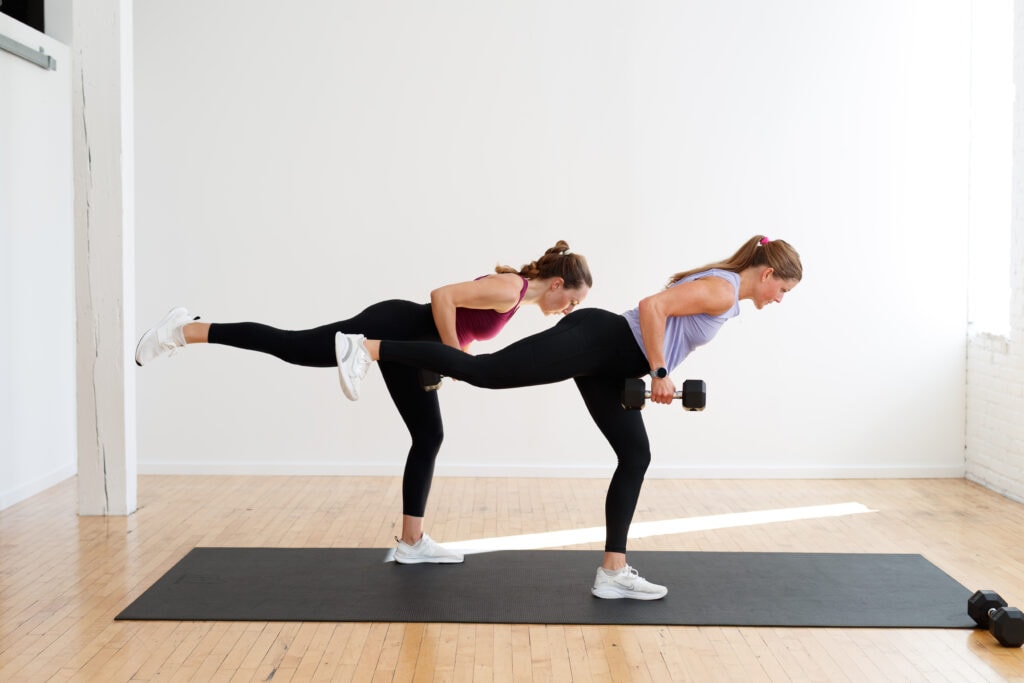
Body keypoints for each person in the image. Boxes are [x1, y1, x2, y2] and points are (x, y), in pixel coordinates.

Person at [335, 235, 802, 600]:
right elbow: (651, 307)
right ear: (766, 273)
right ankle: (369, 348)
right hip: (601, 341)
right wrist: (659, 370)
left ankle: (613, 573)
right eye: (782, 289)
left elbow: (663, 320)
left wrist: (654, 369)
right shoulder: (723, 291)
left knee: (635, 455)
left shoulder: (725, 290)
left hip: (612, 361)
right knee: (485, 372)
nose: (780, 299)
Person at [135, 241, 592, 564]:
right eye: (572, 300)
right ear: (556, 284)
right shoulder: (510, 288)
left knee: (429, 435)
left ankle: (412, 543)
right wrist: (451, 353)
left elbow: (457, 322)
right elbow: (442, 296)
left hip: (406, 347)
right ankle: (183, 330)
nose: (568, 309)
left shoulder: (514, 300)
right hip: (391, 328)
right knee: (293, 346)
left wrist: (453, 352)